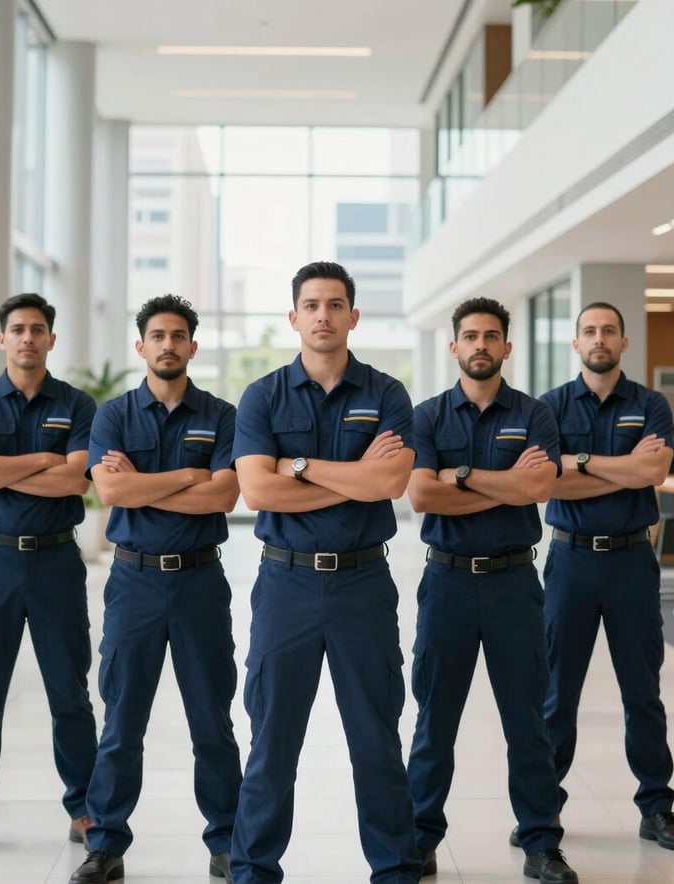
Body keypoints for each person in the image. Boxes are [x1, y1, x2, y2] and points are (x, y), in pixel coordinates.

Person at [230, 261, 421, 884]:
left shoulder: (387, 394)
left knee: (376, 739)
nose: (322, 315)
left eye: (335, 304)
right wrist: (348, 477)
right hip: (285, 584)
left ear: (353, 316)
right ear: (293, 317)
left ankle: (394, 869)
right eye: (310, 305)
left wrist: (301, 468)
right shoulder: (262, 396)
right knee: (272, 741)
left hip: (363, 586)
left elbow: (390, 482)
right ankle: (254, 870)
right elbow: (258, 490)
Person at [69, 295, 243, 884]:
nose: (168, 344)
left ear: (192, 346)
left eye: (178, 335)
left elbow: (224, 496)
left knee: (211, 721)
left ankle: (227, 841)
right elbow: (112, 494)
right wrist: (188, 476)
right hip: (134, 582)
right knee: (122, 720)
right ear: (140, 346)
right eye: (157, 335)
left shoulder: (222, 414)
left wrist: (147, 483)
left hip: (199, 581)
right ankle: (107, 844)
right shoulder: (112, 416)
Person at [406, 297, 579, 883]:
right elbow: (422, 496)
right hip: (447, 581)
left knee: (528, 720)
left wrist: (462, 476)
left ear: (507, 347)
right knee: (435, 719)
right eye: (471, 336)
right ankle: (420, 837)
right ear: (454, 346)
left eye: (492, 336)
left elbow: (540, 488)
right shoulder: (427, 416)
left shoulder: (536, 415)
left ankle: (540, 843)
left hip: (513, 583)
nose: (481, 345)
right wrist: (504, 483)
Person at [0, 293, 98, 858]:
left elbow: (78, 481)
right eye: (18, 329)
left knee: (70, 693)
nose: (28, 338)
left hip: (55, 561)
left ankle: (85, 808)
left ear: (52, 339)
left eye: (38, 329)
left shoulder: (78, 405)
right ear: (1, 339)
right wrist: (44, 460)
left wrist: (3, 469)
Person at [533, 301, 674, 851]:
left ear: (625, 342)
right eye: (589, 331)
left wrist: (582, 462)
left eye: (609, 331)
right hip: (570, 562)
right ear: (575, 344)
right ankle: (541, 813)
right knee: (556, 696)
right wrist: (617, 469)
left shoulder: (650, 404)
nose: (599, 339)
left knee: (642, 692)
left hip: (630, 563)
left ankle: (656, 808)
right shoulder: (549, 409)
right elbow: (547, 483)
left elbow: (653, 470)